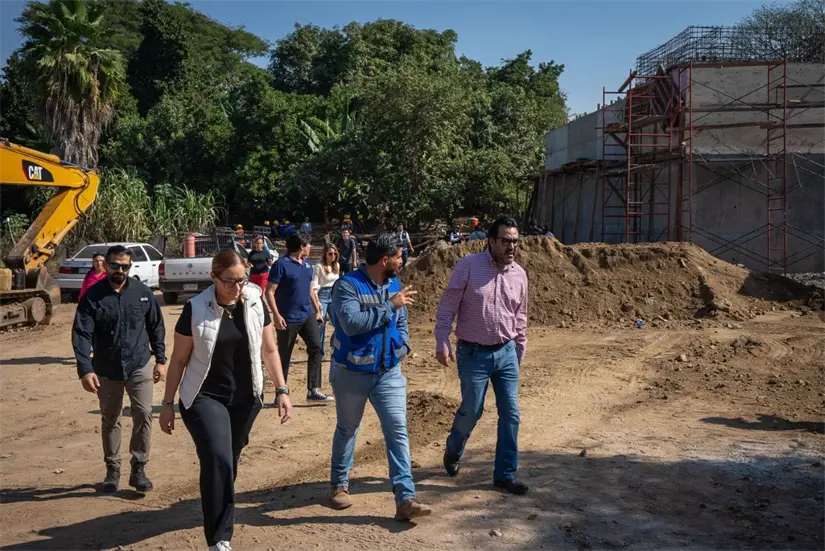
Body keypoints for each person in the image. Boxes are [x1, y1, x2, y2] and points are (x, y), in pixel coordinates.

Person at [159, 249, 293, 551]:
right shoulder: (195, 308)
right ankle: (219, 538)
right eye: (230, 282)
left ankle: (218, 503)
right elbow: (179, 361)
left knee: (226, 463)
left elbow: (270, 350)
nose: (237, 288)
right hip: (204, 396)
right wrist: (167, 404)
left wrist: (281, 390)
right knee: (218, 458)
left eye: (241, 280)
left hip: (246, 398)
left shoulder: (255, 300)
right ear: (213, 278)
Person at [328, 233, 432, 521]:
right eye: (399, 256)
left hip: (388, 373)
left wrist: (404, 345)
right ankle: (339, 485)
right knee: (348, 429)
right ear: (385, 260)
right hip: (352, 373)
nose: (403, 260)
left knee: (397, 430)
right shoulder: (346, 286)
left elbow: (402, 320)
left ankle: (405, 498)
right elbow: (351, 324)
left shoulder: (394, 284)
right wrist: (390, 306)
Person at [434, 217, 529, 496]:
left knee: (511, 414)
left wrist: (519, 348)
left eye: (515, 240)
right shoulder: (468, 266)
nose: (512, 246)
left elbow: (520, 315)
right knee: (473, 409)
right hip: (473, 352)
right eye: (506, 240)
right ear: (491, 240)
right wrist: (442, 340)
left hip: (506, 351)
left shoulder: (519, 274)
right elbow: (448, 304)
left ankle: (505, 475)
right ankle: (454, 449)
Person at [71, 245, 166, 494]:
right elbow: (81, 334)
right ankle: (112, 470)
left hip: (139, 364)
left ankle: (139, 468)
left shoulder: (143, 294)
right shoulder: (92, 297)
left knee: (144, 414)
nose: (119, 270)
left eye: (124, 266)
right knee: (111, 419)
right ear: (106, 265)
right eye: (114, 265)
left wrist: (161, 359)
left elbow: (156, 327)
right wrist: (85, 369)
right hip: (106, 368)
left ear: (129, 267)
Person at [266, 233, 334, 403]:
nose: (311, 248)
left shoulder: (307, 265)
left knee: (316, 348)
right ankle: (280, 393)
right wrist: (276, 315)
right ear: (301, 246)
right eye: (309, 245)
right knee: (284, 355)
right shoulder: (281, 265)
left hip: (307, 315)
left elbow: (310, 289)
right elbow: (269, 291)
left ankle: (313, 389)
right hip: (287, 318)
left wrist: (317, 310)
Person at [312, 243, 340, 360]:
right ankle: (320, 353)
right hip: (322, 295)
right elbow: (314, 285)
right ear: (325, 254)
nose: (332, 256)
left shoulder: (337, 265)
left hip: (334, 295)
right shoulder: (319, 266)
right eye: (330, 253)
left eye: (334, 253)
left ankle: (335, 346)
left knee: (339, 323)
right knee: (320, 326)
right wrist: (317, 301)